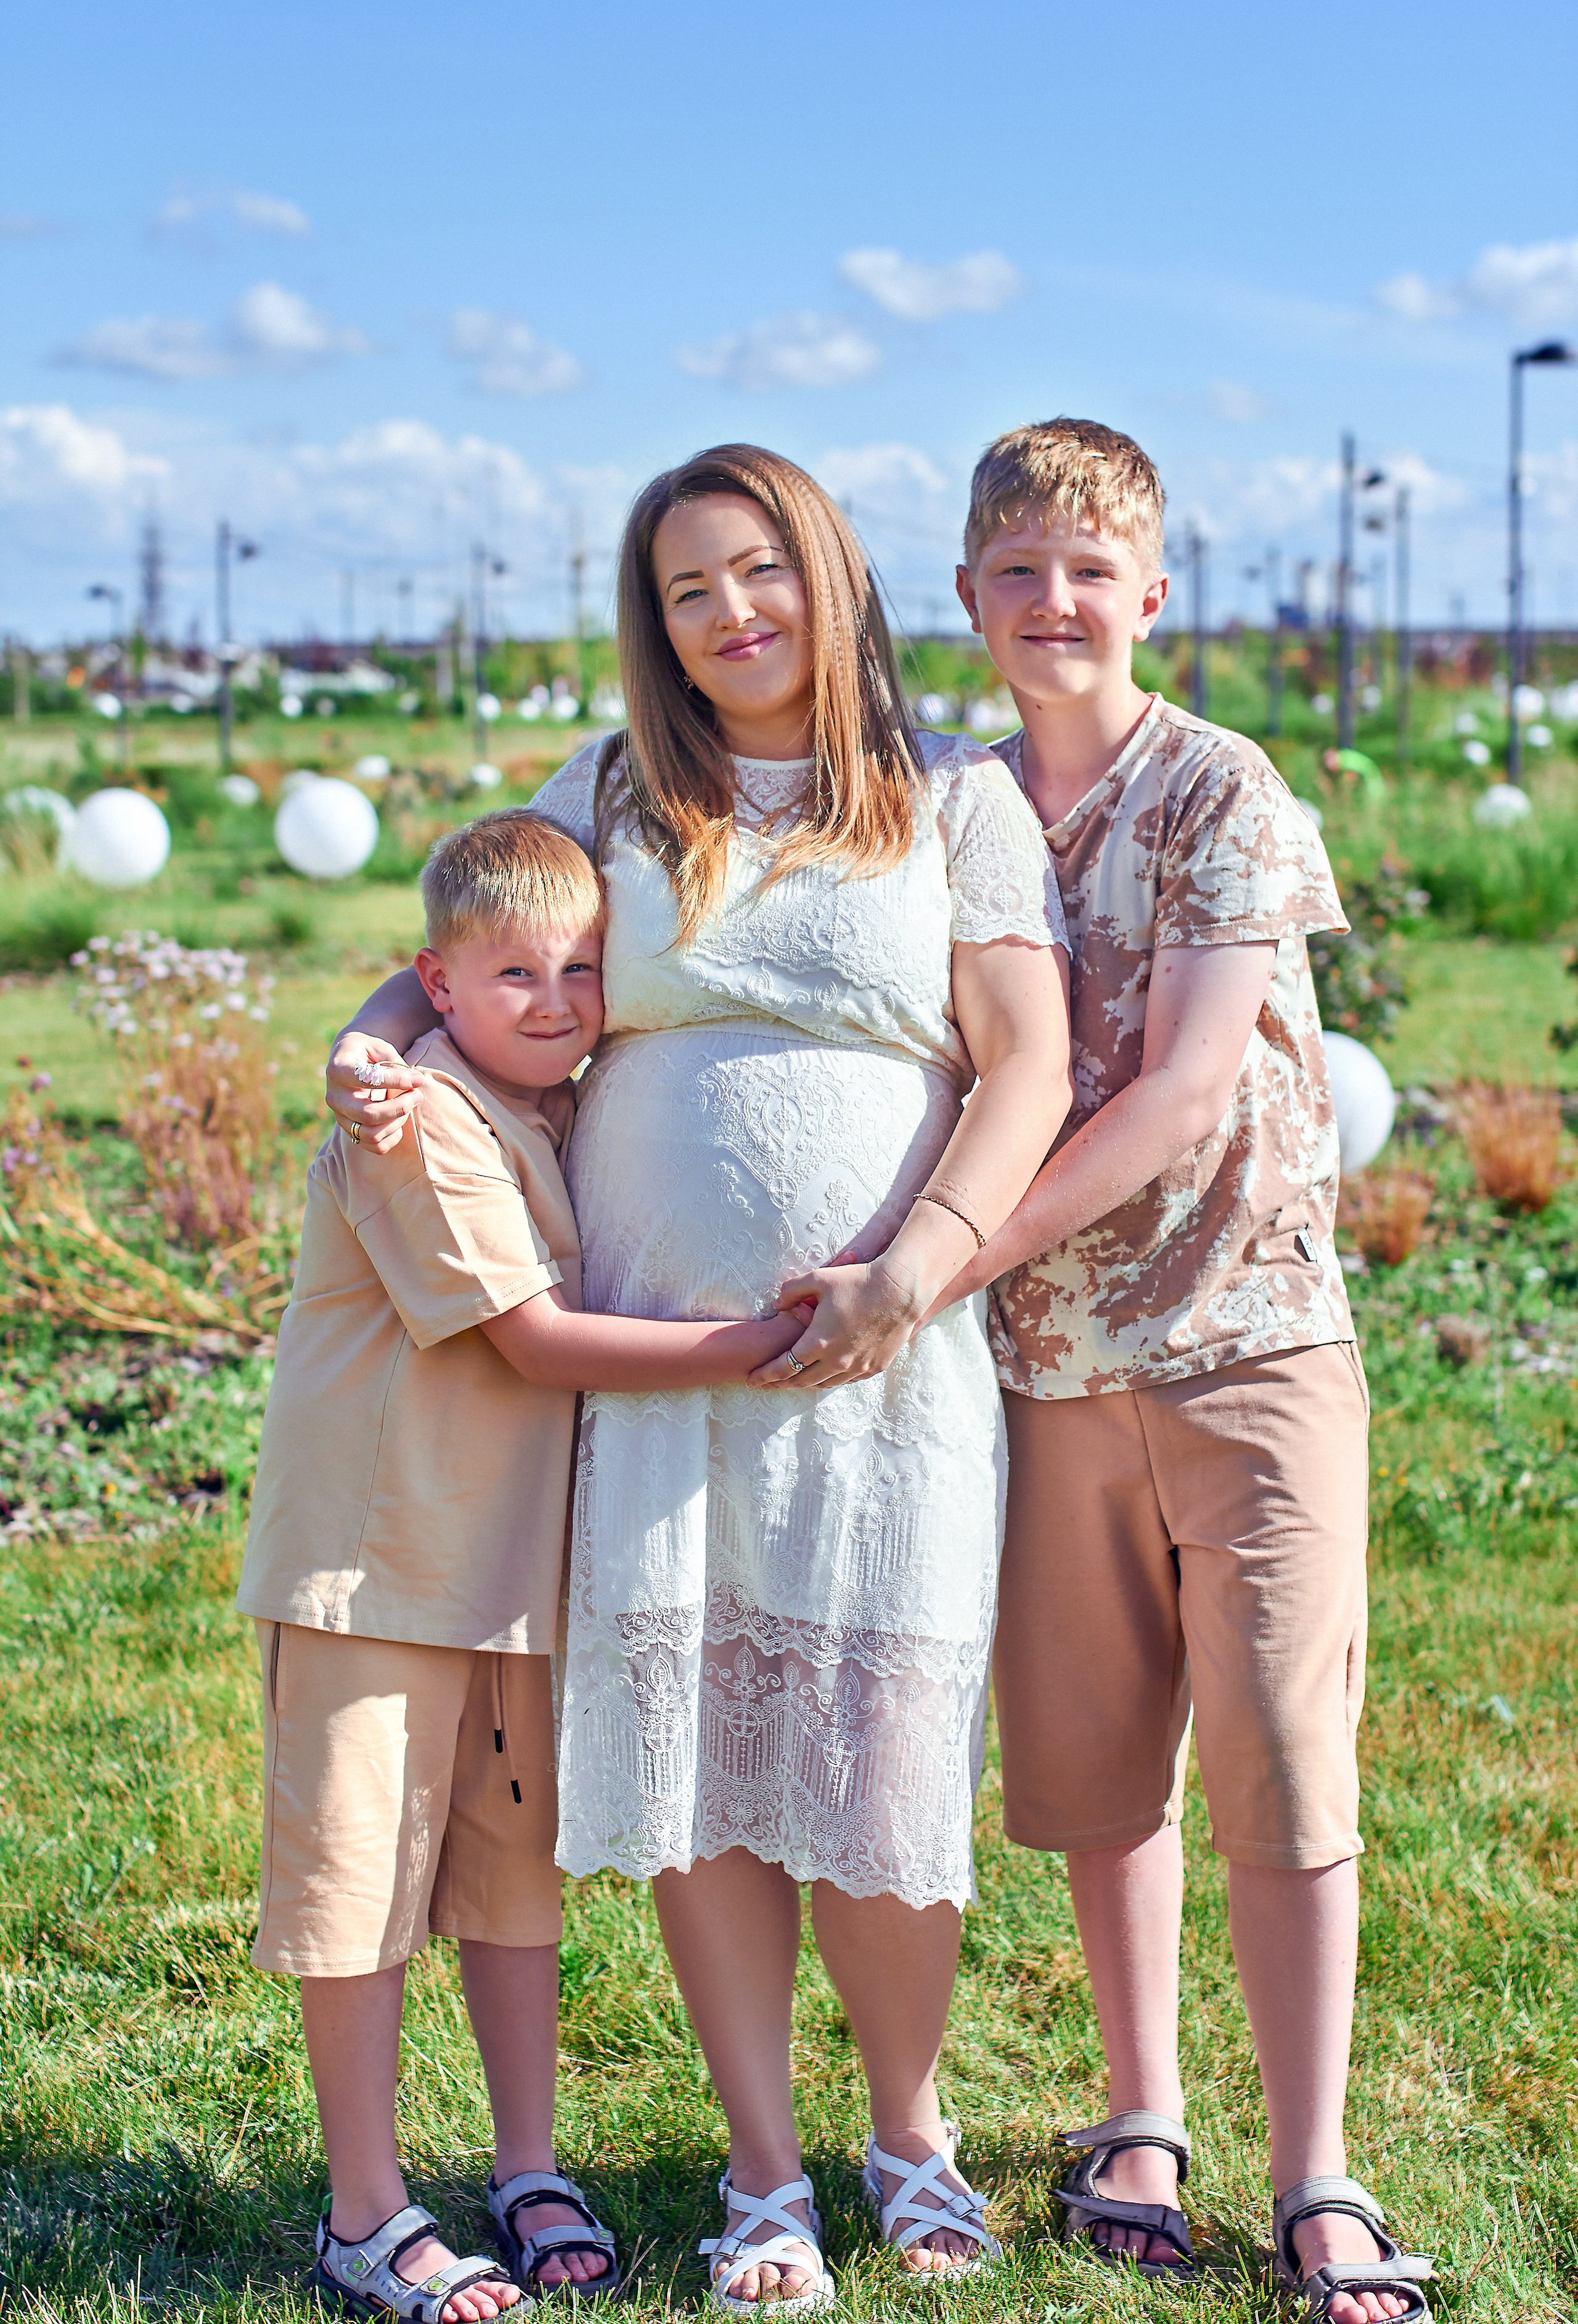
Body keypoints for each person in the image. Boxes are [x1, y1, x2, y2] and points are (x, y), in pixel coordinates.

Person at [325, 445, 1072, 2308]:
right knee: (706, 1770)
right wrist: (373, 1028)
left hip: (881, 1367)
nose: (732, 614)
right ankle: (761, 2174)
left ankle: (909, 2137)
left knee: (881, 1766)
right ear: (652, 627)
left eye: (762, 573)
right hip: (661, 1371)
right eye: (688, 590)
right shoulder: (614, 792)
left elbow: (1032, 1069)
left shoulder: (950, 804)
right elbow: (466, 937)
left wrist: (919, 1262)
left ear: (828, 578)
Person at [923, 418, 1436, 2324]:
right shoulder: (953, 808)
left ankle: (1319, 2166)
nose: (1055, 603)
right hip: (1050, 1372)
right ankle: (1142, 2113)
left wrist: (934, 1261)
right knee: (1097, 1765)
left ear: (1151, 594)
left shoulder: (1223, 792)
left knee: (1286, 1764)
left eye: (1090, 570)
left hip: (1246, 1344)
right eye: (1016, 571)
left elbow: (1184, 1088)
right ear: (968, 597)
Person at [243, 809, 816, 2318]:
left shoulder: (552, 1100)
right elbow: (534, 1342)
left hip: (502, 1579)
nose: (556, 1000)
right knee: (359, 1884)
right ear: (438, 984)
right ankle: (363, 2210)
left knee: (511, 1885)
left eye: (580, 969)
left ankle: (524, 2161)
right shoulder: (417, 1119)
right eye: (515, 974)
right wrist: (766, 1342)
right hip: (376, 1571)